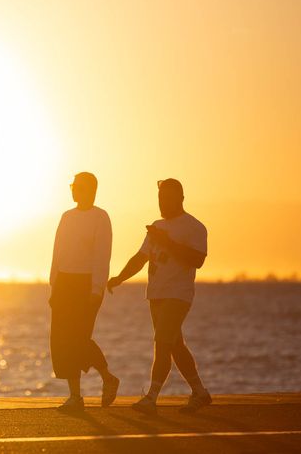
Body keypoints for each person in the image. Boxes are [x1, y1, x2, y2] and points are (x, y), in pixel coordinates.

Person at [108, 178, 210, 414]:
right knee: (175, 346)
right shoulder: (156, 226)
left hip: (178, 295)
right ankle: (200, 392)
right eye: (160, 198)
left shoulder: (194, 227)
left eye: (168, 198)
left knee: (162, 343)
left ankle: (151, 397)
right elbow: (140, 257)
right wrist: (119, 278)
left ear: (181, 199)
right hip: (156, 294)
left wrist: (168, 243)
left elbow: (197, 260)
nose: (162, 203)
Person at [49, 172, 119, 413]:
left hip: (86, 284)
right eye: (72, 186)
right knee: (63, 341)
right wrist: (54, 285)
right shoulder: (67, 217)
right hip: (64, 283)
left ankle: (108, 378)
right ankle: (75, 397)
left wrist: (97, 288)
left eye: (77, 186)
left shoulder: (100, 218)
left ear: (89, 189)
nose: (73, 190)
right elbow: (57, 252)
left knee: (78, 339)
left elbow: (102, 255)